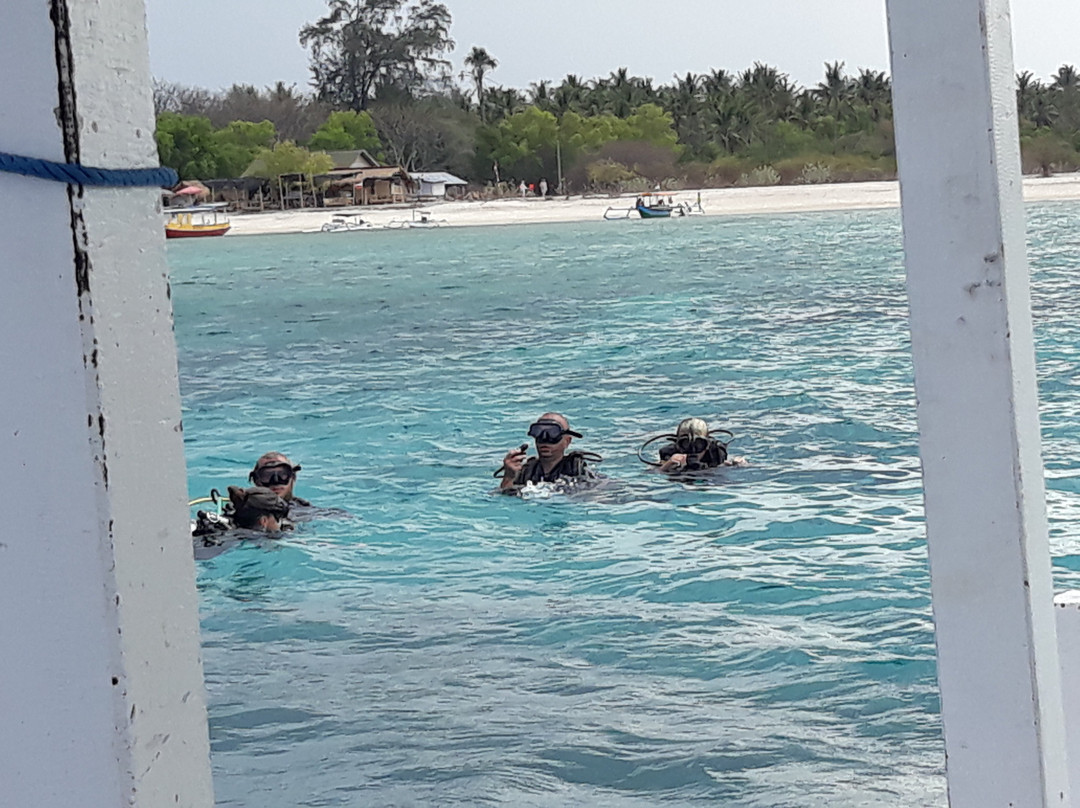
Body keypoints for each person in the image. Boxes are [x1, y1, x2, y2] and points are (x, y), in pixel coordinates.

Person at [498, 412, 600, 491]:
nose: (545, 439)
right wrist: (509, 476)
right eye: (539, 432)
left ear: (567, 441)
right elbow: (504, 498)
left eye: (552, 433)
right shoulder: (526, 471)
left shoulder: (577, 469)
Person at [191, 485, 290, 539]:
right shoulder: (243, 537)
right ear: (263, 521)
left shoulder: (224, 523)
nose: (279, 524)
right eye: (278, 518)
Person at [646, 417, 732, 473]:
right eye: (686, 444)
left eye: (699, 444)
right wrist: (665, 467)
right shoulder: (670, 455)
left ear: (707, 445)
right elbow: (649, 473)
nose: (693, 450)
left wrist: (741, 464)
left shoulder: (715, 453)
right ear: (678, 445)